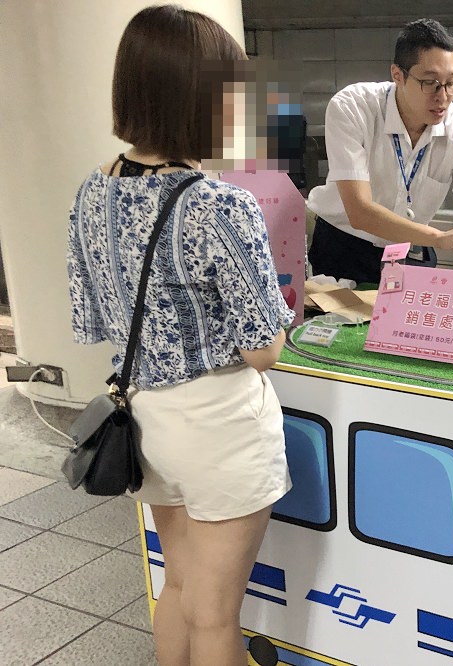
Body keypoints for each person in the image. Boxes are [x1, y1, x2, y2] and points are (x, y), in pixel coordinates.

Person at [66, 6, 293, 665]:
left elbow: (92, 319)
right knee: (219, 619)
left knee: (180, 587)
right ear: (197, 98)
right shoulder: (217, 202)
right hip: (218, 424)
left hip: (144, 421)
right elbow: (263, 351)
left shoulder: (91, 191)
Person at [306, 18, 453, 286]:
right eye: (430, 83)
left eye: (452, 83)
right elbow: (359, 211)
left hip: (409, 252)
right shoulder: (354, 107)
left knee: (412, 327)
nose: (443, 96)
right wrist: (438, 237)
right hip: (345, 248)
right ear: (398, 75)